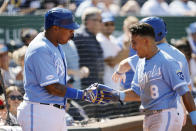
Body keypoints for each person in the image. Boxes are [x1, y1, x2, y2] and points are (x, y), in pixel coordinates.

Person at [16, 7, 105, 131]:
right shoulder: (40, 48)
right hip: (39, 112)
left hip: (55, 112)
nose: (72, 34)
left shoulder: (56, 45)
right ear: (55, 28)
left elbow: (62, 83)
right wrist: (84, 94)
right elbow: (53, 88)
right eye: (69, 30)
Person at [100, 23, 196, 131]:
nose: (132, 47)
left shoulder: (167, 62)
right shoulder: (141, 62)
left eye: (134, 42)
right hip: (149, 116)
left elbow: (185, 92)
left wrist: (195, 120)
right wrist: (113, 95)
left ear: (146, 41)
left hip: (165, 114)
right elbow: (137, 93)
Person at [73, 7, 104, 89]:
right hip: (83, 88)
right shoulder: (78, 36)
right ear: (89, 21)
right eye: (100, 20)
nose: (102, 23)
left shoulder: (93, 37)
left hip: (94, 87)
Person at [96, 12, 121, 90]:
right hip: (104, 84)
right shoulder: (98, 39)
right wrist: (126, 49)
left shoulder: (114, 40)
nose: (109, 26)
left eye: (112, 24)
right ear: (100, 24)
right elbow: (111, 62)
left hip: (115, 85)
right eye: (106, 24)